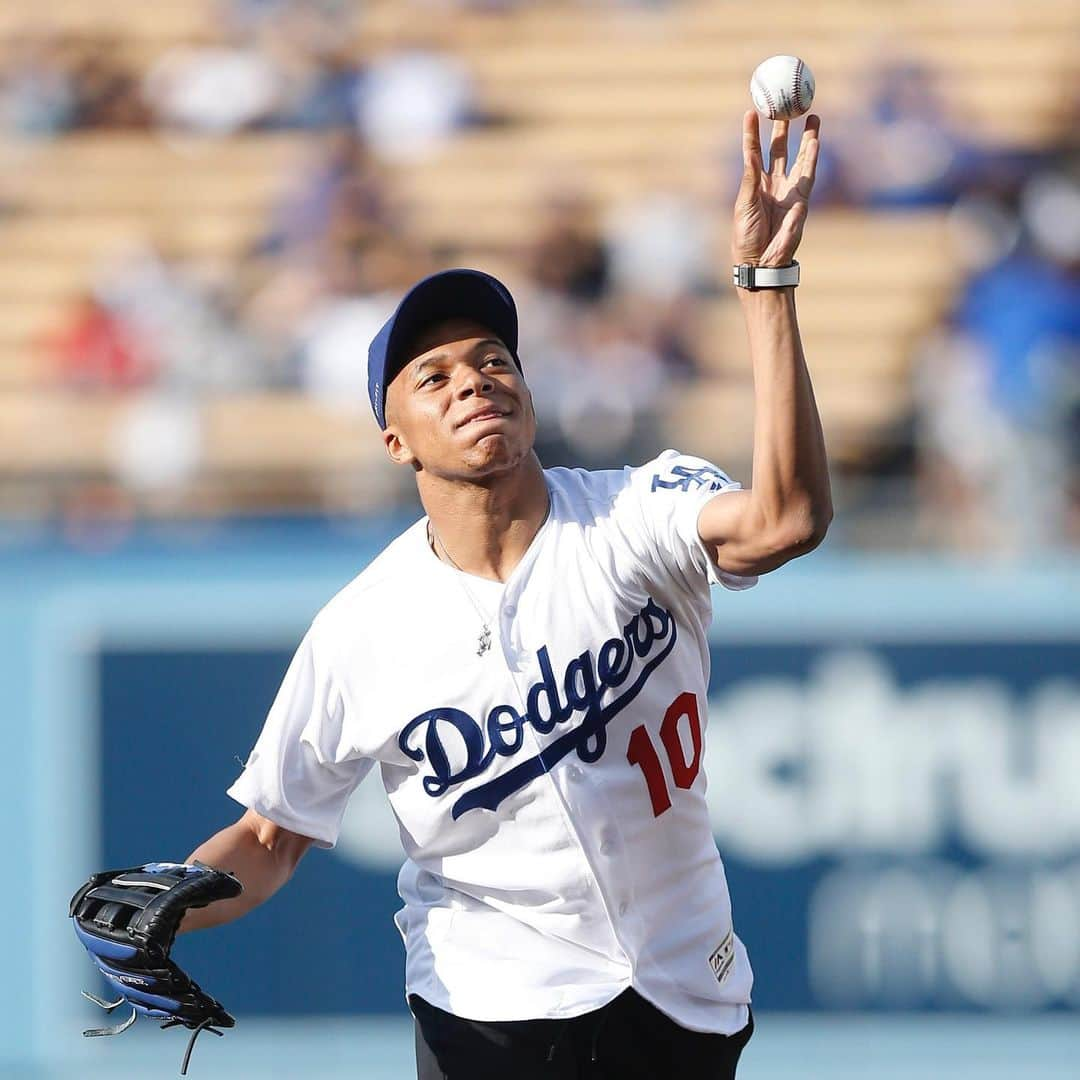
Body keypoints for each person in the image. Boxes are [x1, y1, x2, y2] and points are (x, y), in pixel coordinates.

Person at [123, 111, 828, 1079]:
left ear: (529, 393)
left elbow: (786, 521)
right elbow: (270, 833)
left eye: (495, 360)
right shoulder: (362, 627)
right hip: (486, 1011)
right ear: (396, 441)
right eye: (435, 374)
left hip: (680, 989)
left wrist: (765, 286)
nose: (474, 381)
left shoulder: (634, 512)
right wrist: (175, 901)